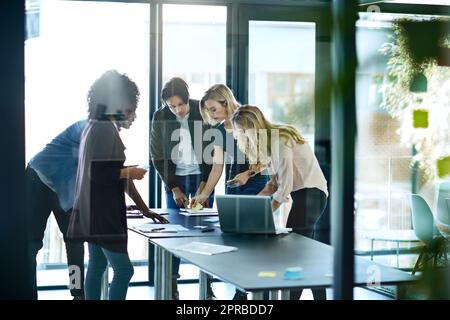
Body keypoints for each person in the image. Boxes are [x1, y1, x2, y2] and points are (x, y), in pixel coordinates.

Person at [67, 70, 167, 300]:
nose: (133, 115)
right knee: (124, 270)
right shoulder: (104, 129)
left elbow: (114, 174)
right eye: (131, 109)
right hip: (104, 216)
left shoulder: (95, 125)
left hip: (93, 214)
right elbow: (101, 174)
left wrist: (143, 208)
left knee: (97, 265)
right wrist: (130, 171)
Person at [230, 105, 329, 300]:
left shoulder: (279, 140)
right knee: (303, 254)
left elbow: (284, 188)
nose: (241, 136)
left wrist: (262, 214)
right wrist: (247, 210)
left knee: (295, 253)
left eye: (241, 131)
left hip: (311, 194)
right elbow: (272, 185)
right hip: (304, 195)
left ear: (252, 126)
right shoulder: (271, 143)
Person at [190, 84, 269, 300]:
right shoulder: (218, 131)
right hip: (234, 183)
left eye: (213, 109)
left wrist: (249, 173)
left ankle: (255, 292)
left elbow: (266, 155)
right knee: (236, 240)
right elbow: (217, 167)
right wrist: (204, 194)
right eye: (208, 111)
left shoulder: (248, 117)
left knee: (254, 241)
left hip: (258, 181)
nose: (211, 114)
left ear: (225, 102)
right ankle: (241, 292)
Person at [26, 120, 87, 300]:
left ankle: (78, 293)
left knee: (75, 241)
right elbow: (95, 170)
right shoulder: (89, 128)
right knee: (30, 244)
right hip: (37, 179)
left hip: (62, 185)